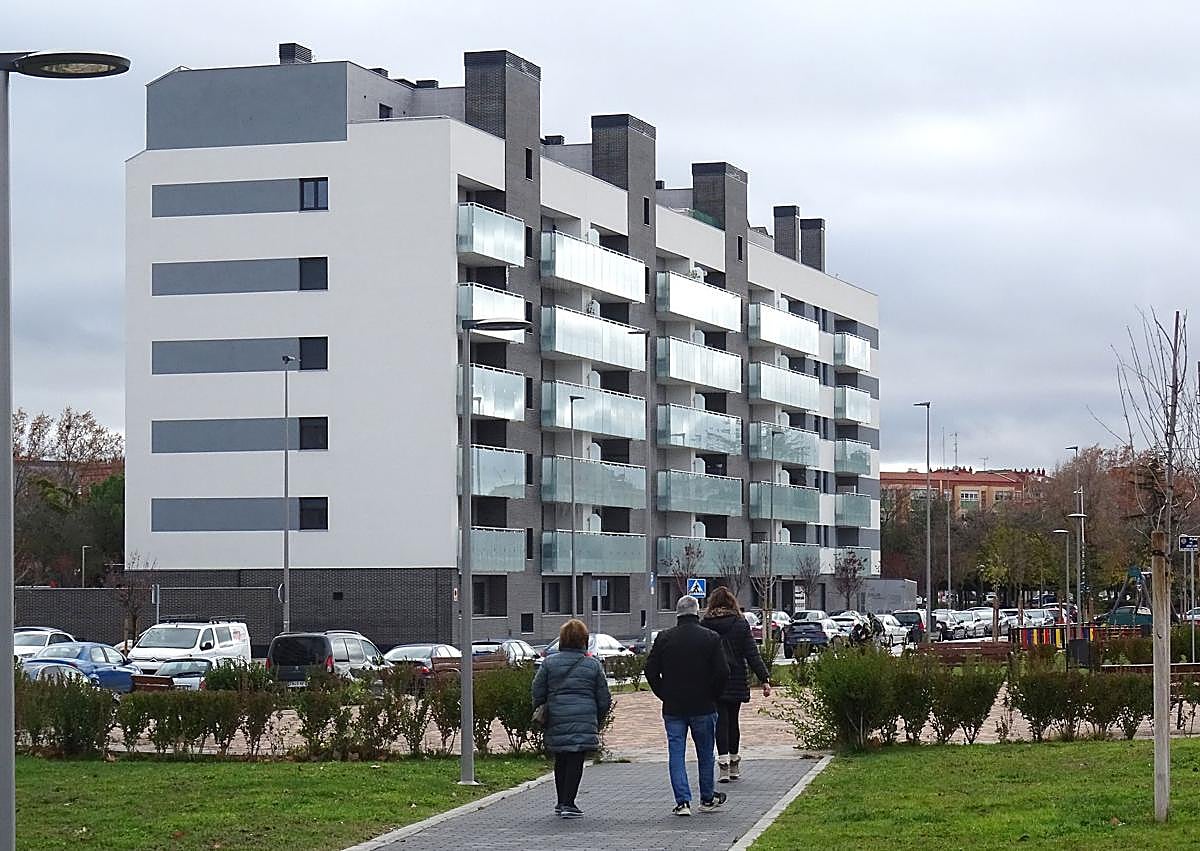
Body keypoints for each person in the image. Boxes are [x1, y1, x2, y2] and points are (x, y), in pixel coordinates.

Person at [645, 594, 730, 817]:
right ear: (697, 611)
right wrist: (713, 694)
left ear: (677, 613)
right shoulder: (711, 638)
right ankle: (707, 797)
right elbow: (723, 671)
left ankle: (682, 802)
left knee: (676, 754)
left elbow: (650, 670)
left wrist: (663, 693)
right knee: (705, 753)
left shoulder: (664, 638)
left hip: (674, 707)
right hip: (704, 705)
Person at [531, 618, 611, 819]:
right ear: (583, 640)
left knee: (561, 758)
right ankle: (569, 803)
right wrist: (597, 717)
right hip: (584, 717)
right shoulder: (592, 665)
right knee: (576, 759)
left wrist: (542, 709)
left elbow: (537, 690)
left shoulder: (549, 663)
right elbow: (604, 698)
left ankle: (560, 801)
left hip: (557, 716)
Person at [700, 587, 771, 783]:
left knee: (720, 722)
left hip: (714, 679)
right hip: (736, 678)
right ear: (732, 602)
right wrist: (764, 678)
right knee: (733, 721)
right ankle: (734, 764)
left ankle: (722, 764)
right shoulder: (740, 624)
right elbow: (751, 653)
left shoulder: (705, 624)